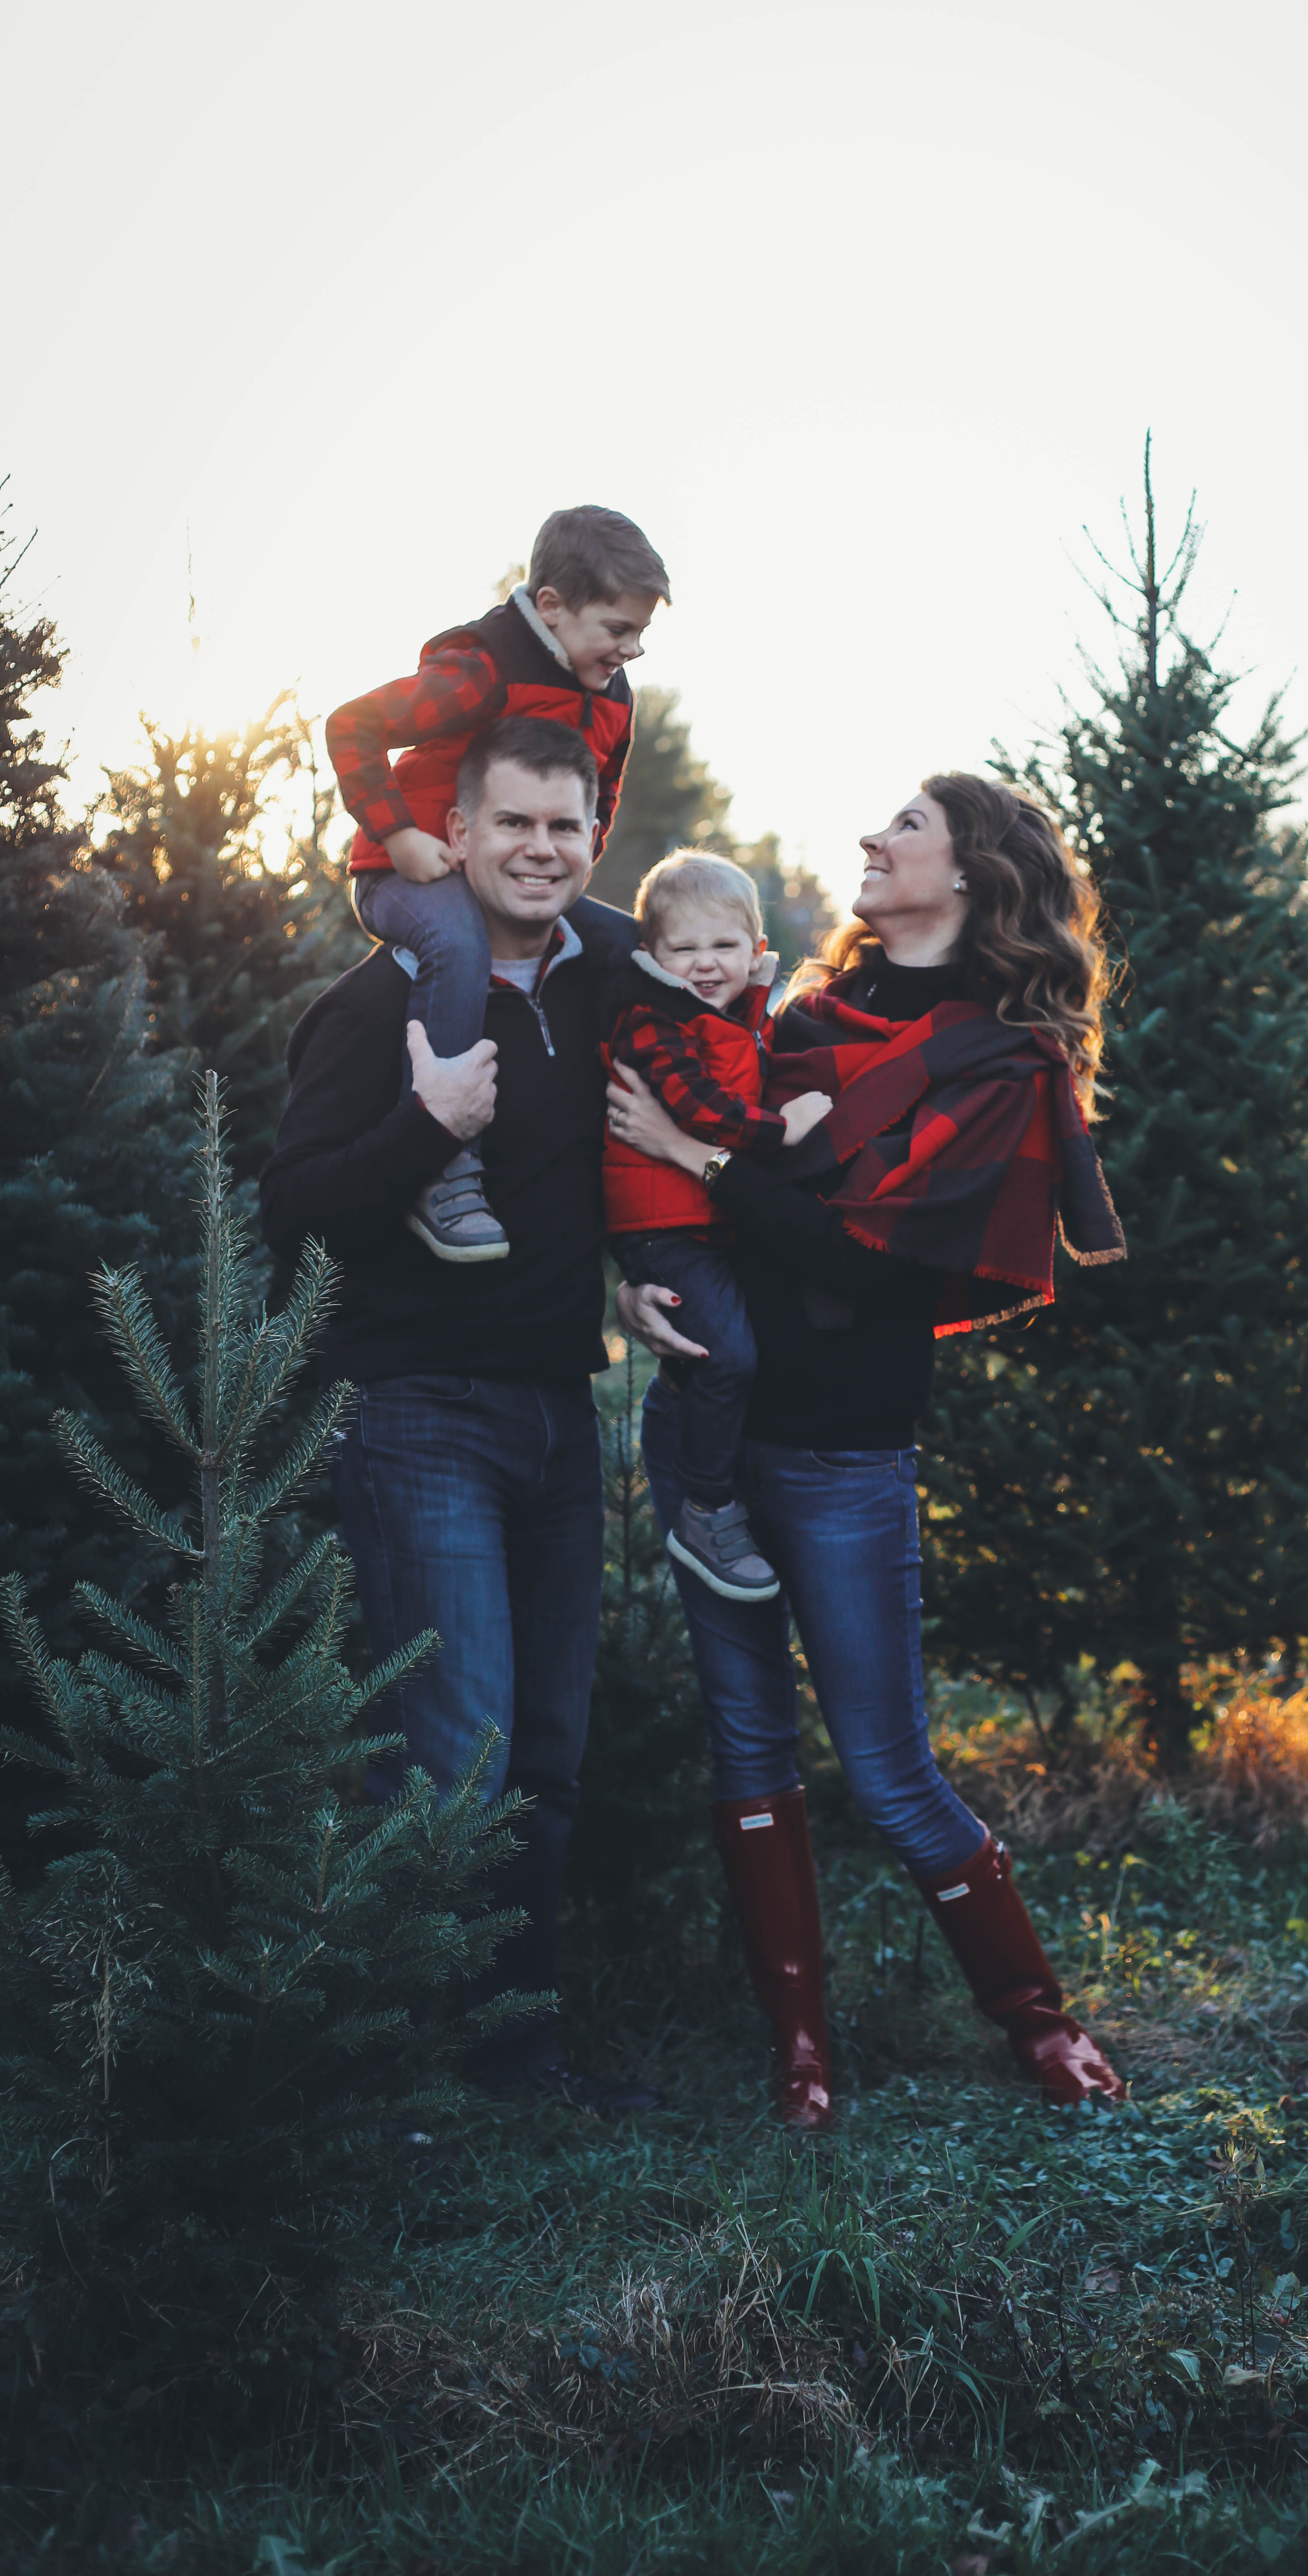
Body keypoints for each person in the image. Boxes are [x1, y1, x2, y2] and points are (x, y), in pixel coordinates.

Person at [609, 773, 1129, 2132]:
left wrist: (707, 1166)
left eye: (904, 826)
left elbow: (874, 1262)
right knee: (748, 1748)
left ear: (967, 875)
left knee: (892, 1769)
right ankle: (802, 2051)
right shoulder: (795, 1022)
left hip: (845, 1449)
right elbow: (680, 1184)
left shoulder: (1005, 1063)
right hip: (711, 1433)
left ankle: (1039, 2023)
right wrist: (638, 1272)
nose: (871, 840)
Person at [260, 714, 658, 2116]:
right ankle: (418, 2069)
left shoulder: (608, 978)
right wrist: (428, 1126)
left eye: (568, 827)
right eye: (514, 826)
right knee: (460, 1756)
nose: (542, 851)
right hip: (420, 1414)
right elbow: (295, 1213)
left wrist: (652, 1276)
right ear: (458, 834)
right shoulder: (382, 1010)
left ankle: (520, 2056)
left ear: (593, 839)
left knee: (545, 1755)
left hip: (561, 1414)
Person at [326, 504, 670, 1263]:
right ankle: (445, 1164)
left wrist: (575, 868)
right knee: (457, 941)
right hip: (410, 872)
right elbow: (351, 726)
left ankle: (668, 1142)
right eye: (617, 628)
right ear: (551, 606)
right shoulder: (481, 671)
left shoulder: (611, 696)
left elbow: (602, 792)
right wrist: (397, 835)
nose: (632, 649)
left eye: (642, 632)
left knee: (635, 946)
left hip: (511, 877)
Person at [603, 851, 833, 1604]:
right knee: (727, 1357)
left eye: (723, 947)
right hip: (663, 1228)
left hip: (706, 1221)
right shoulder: (654, 1021)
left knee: (735, 1347)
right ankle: (706, 1505)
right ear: (652, 957)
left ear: (757, 951)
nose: (705, 964)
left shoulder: (744, 1018)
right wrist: (783, 1129)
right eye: (684, 949)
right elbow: (700, 1111)